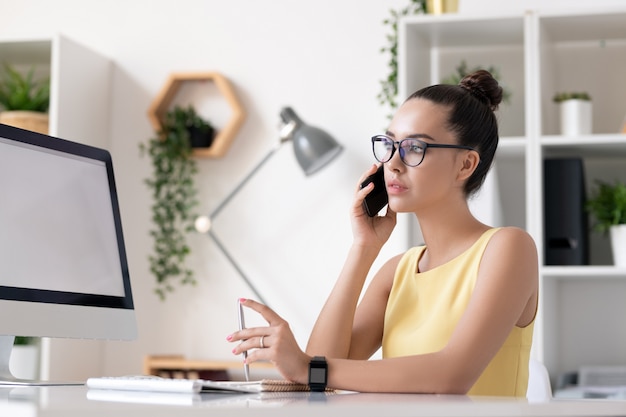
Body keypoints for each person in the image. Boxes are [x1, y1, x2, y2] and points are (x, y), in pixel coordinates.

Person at [227, 70, 538, 396]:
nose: (393, 162)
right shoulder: (397, 272)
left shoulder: (509, 248)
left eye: (415, 147)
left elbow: (451, 376)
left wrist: (307, 366)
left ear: (465, 165)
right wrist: (363, 249)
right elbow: (318, 379)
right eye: (389, 144)